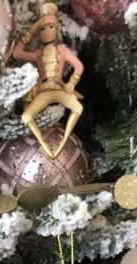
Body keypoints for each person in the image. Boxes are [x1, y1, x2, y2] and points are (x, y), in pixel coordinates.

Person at [13, 2, 84, 159]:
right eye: (42, 29)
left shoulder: (63, 50)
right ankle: (44, 144)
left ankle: (64, 140)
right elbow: (17, 54)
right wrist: (33, 28)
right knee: (26, 117)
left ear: (57, 29)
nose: (47, 32)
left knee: (78, 109)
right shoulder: (38, 54)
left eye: (51, 27)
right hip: (43, 91)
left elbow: (79, 66)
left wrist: (72, 83)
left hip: (60, 90)